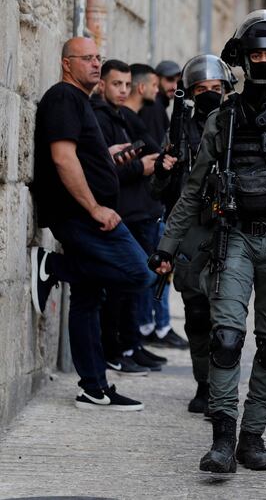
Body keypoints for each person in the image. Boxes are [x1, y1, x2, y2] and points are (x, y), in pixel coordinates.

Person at [151, 10, 266, 473]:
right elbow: (193, 189)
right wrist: (167, 246)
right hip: (232, 239)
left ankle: (252, 436)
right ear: (243, 58)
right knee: (225, 338)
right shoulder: (224, 120)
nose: (262, 61)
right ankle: (223, 437)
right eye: (255, 54)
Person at [30, 36, 151, 410]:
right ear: (67, 64)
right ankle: (53, 266)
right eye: (88, 58)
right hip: (81, 215)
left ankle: (93, 387)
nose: (97, 64)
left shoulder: (80, 102)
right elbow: (63, 159)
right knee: (139, 273)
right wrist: (95, 207)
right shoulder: (64, 97)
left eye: (99, 57)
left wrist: (106, 155)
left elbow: (78, 154)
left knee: (87, 300)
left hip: (83, 212)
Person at [150, 54, 236, 414]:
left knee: (226, 320)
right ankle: (204, 382)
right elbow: (160, 192)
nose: (210, 95)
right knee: (198, 316)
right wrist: (164, 169)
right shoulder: (181, 130)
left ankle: (222, 389)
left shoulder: (236, 125)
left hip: (228, 230)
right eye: (202, 89)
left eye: (216, 89)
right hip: (190, 231)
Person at [92, 60, 167, 374]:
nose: (123, 90)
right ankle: (116, 349)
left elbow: (152, 150)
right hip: (119, 214)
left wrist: (146, 160)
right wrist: (139, 166)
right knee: (118, 289)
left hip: (138, 212)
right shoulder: (99, 117)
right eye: (116, 84)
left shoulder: (123, 116)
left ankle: (132, 344)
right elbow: (102, 171)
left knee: (136, 286)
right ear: (103, 85)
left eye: (126, 84)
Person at [122, 64, 189, 350]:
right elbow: (155, 154)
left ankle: (151, 329)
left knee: (156, 270)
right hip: (145, 207)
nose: (172, 85)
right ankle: (153, 329)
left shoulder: (154, 109)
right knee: (153, 269)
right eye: (168, 80)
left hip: (151, 206)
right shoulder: (151, 111)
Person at [139, 60, 181, 146]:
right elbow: (156, 147)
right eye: (170, 79)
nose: (175, 87)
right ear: (156, 79)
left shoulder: (158, 105)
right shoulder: (153, 106)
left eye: (178, 82)